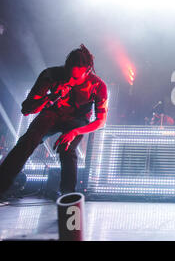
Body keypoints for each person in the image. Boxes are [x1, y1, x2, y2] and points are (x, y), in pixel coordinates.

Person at [0, 44, 108, 197]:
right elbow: (27, 110)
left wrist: (75, 132)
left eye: (76, 77)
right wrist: (50, 98)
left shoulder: (98, 86)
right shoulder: (50, 75)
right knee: (28, 140)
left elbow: (100, 121)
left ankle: (68, 197)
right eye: (68, 74)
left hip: (78, 119)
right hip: (52, 112)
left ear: (88, 70)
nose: (71, 80)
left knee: (67, 148)